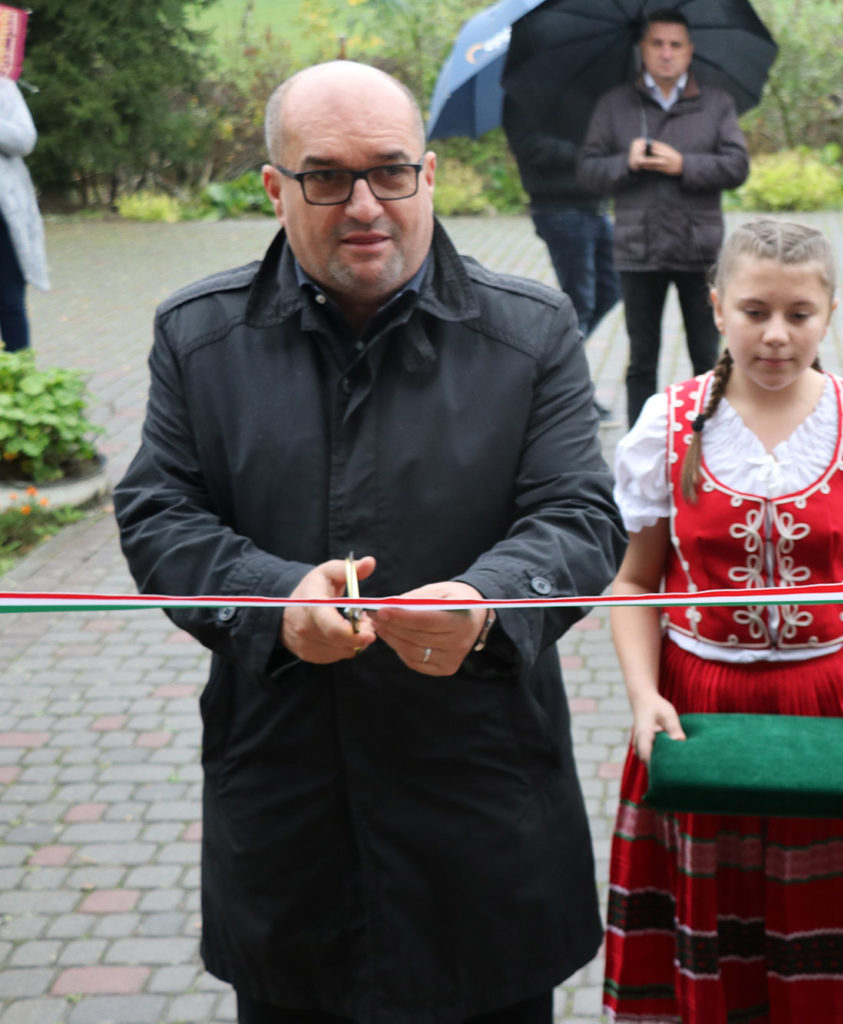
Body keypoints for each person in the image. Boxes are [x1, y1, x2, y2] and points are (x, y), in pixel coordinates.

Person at [112, 61, 626, 1024]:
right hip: (291, 810)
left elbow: (580, 515)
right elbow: (159, 513)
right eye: (325, 176)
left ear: (429, 174)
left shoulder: (531, 331)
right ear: (276, 189)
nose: (363, 205)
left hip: (481, 804)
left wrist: (487, 604)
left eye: (390, 170)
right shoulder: (199, 336)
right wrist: (274, 601)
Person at [603, 218, 843, 1023]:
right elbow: (634, 582)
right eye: (755, 311)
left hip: (839, 710)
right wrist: (642, 696)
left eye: (799, 314)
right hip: (699, 711)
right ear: (717, 306)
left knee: (826, 936)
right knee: (715, 937)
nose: (775, 335)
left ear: (830, 313)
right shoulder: (667, 424)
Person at [578, 7, 749, 426]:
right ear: (643, 49)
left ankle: (710, 441)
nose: (666, 53)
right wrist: (626, 161)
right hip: (639, 249)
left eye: (675, 45)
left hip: (699, 250)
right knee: (642, 360)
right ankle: (643, 446)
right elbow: (588, 171)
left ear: (689, 51)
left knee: (706, 357)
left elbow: (737, 167)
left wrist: (684, 165)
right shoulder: (615, 104)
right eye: (657, 44)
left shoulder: (717, 103)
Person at [502, 87, 621, 421]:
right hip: (559, 209)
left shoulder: (578, 90)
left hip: (594, 207)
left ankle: (555, 358)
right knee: (580, 301)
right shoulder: (521, 95)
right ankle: (572, 393)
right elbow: (531, 147)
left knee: (613, 287)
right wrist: (586, 152)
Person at [0, 76, 47, 351]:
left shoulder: (4, 89)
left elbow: (25, 140)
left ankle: (19, 369)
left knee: (10, 300)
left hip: (4, 217)